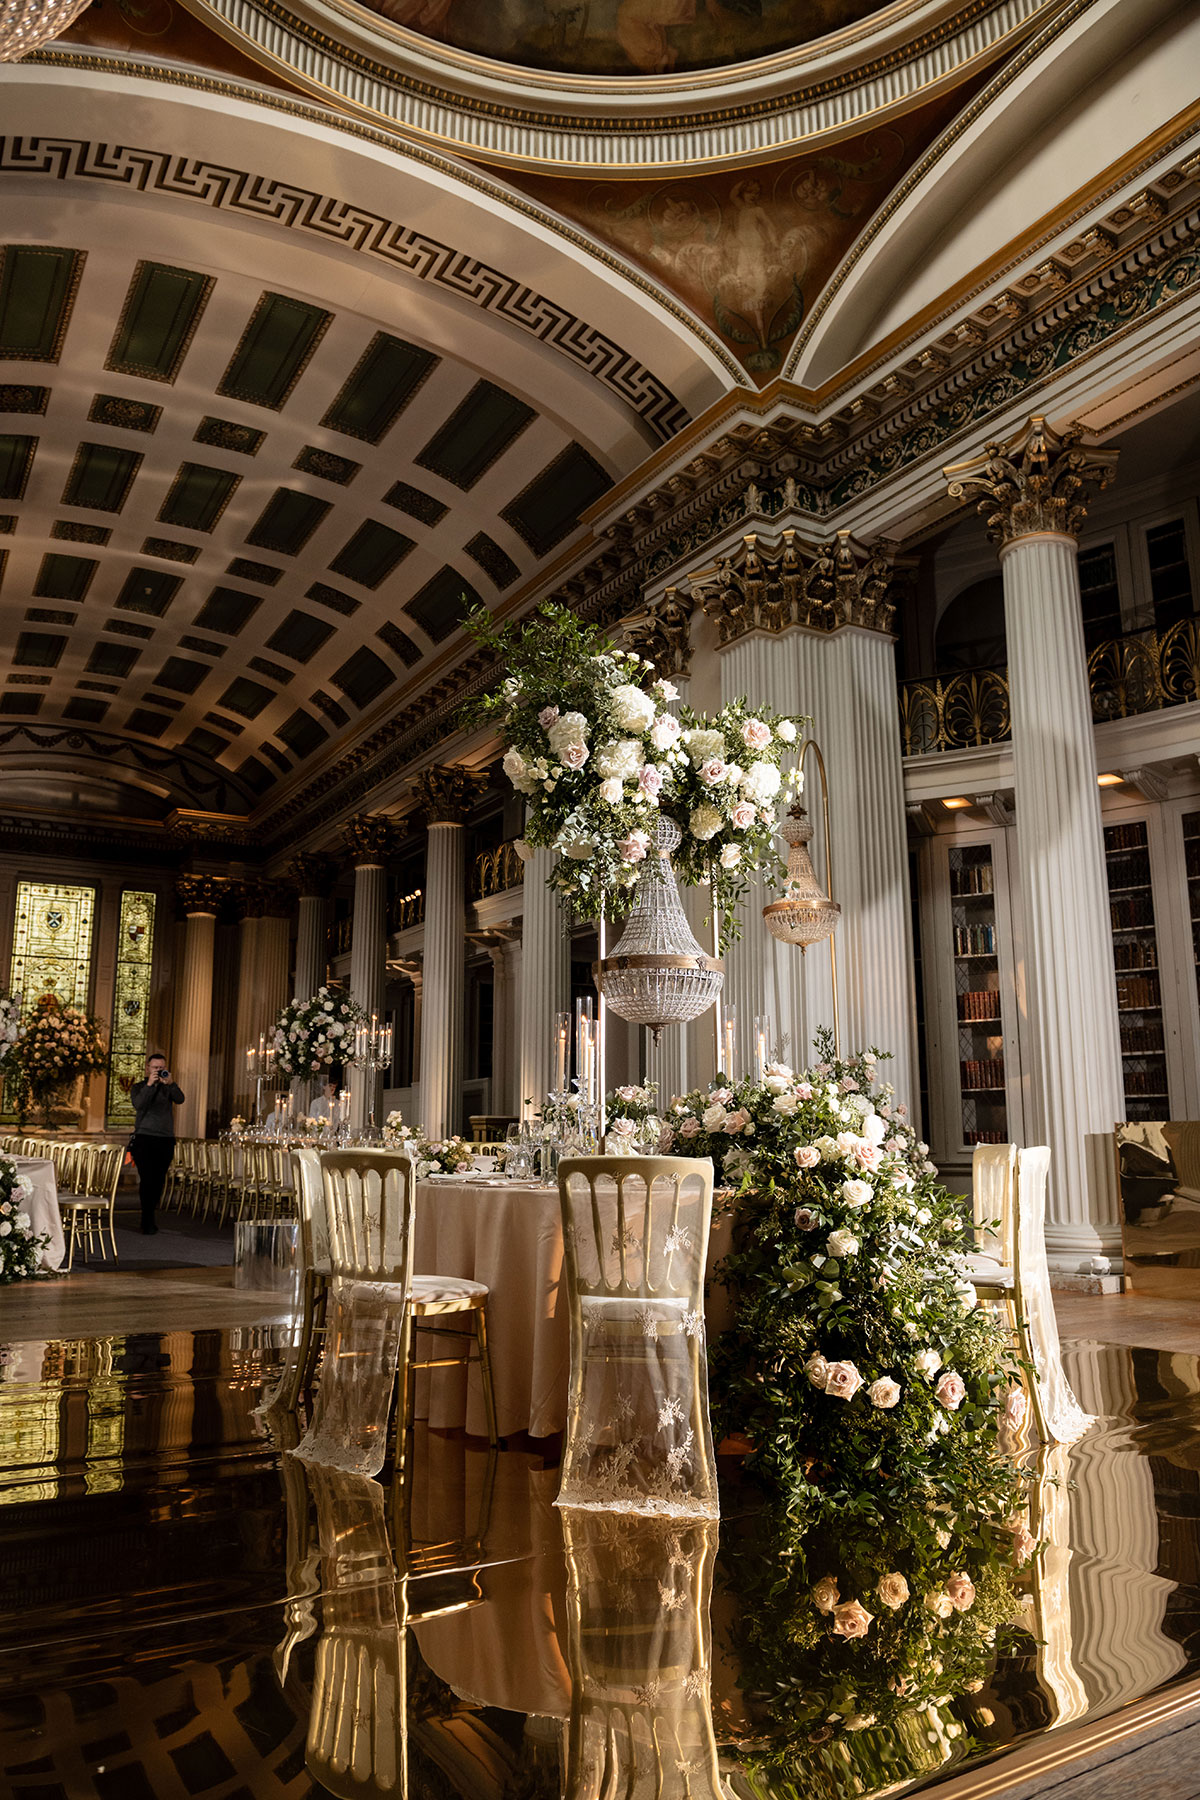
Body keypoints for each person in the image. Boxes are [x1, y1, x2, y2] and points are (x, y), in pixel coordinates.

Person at [129, 1051, 184, 1235]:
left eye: (161, 1068)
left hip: (165, 1139)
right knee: (147, 1179)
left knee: (159, 1180)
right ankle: (147, 1217)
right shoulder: (139, 1087)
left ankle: (150, 1212)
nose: (158, 1071)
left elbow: (180, 1099)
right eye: (155, 1068)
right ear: (147, 1068)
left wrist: (171, 1084)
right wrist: (150, 1085)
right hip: (144, 1139)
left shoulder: (168, 1087)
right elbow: (139, 1104)